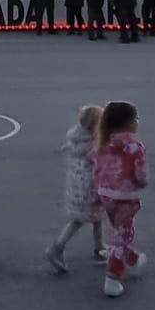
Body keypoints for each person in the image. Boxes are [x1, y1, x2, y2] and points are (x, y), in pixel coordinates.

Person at [93, 101, 148, 299]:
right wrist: (141, 182)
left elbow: (96, 169)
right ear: (128, 123)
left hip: (106, 194)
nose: (137, 122)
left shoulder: (102, 144)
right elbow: (140, 175)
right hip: (125, 197)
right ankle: (112, 278)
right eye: (136, 118)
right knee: (122, 236)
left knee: (119, 233)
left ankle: (133, 258)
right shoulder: (135, 147)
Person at [45, 104, 107, 273]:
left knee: (97, 216)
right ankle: (57, 248)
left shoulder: (76, 138)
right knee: (78, 220)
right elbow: (101, 164)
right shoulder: (93, 144)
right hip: (89, 187)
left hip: (77, 186)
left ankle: (99, 248)